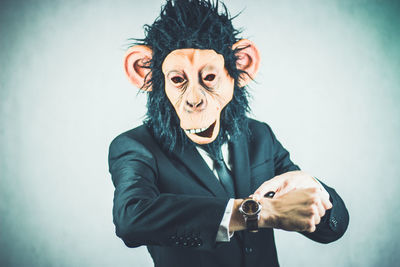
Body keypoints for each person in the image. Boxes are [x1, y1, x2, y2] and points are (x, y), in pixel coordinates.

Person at [108, 1, 349, 266]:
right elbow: (132, 219)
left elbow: (330, 228)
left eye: (209, 78)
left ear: (241, 67)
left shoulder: (259, 135)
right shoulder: (135, 146)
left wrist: (316, 193)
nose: (194, 99)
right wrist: (255, 213)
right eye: (178, 80)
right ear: (144, 72)